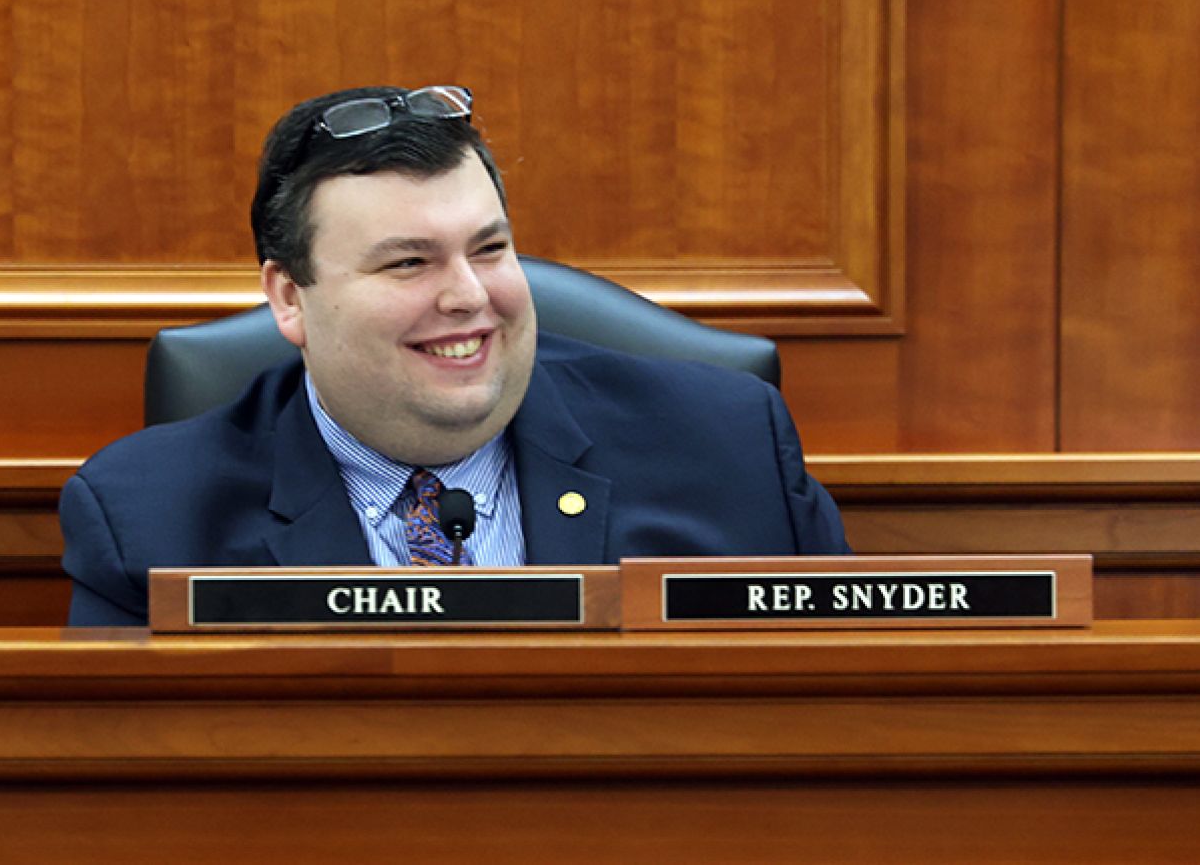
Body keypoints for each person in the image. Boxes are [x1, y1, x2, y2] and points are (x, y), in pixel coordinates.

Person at [61, 84, 849, 626]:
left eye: (490, 248)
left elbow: (844, 724)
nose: (468, 295)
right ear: (289, 298)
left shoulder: (729, 450)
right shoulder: (147, 517)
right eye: (409, 262)